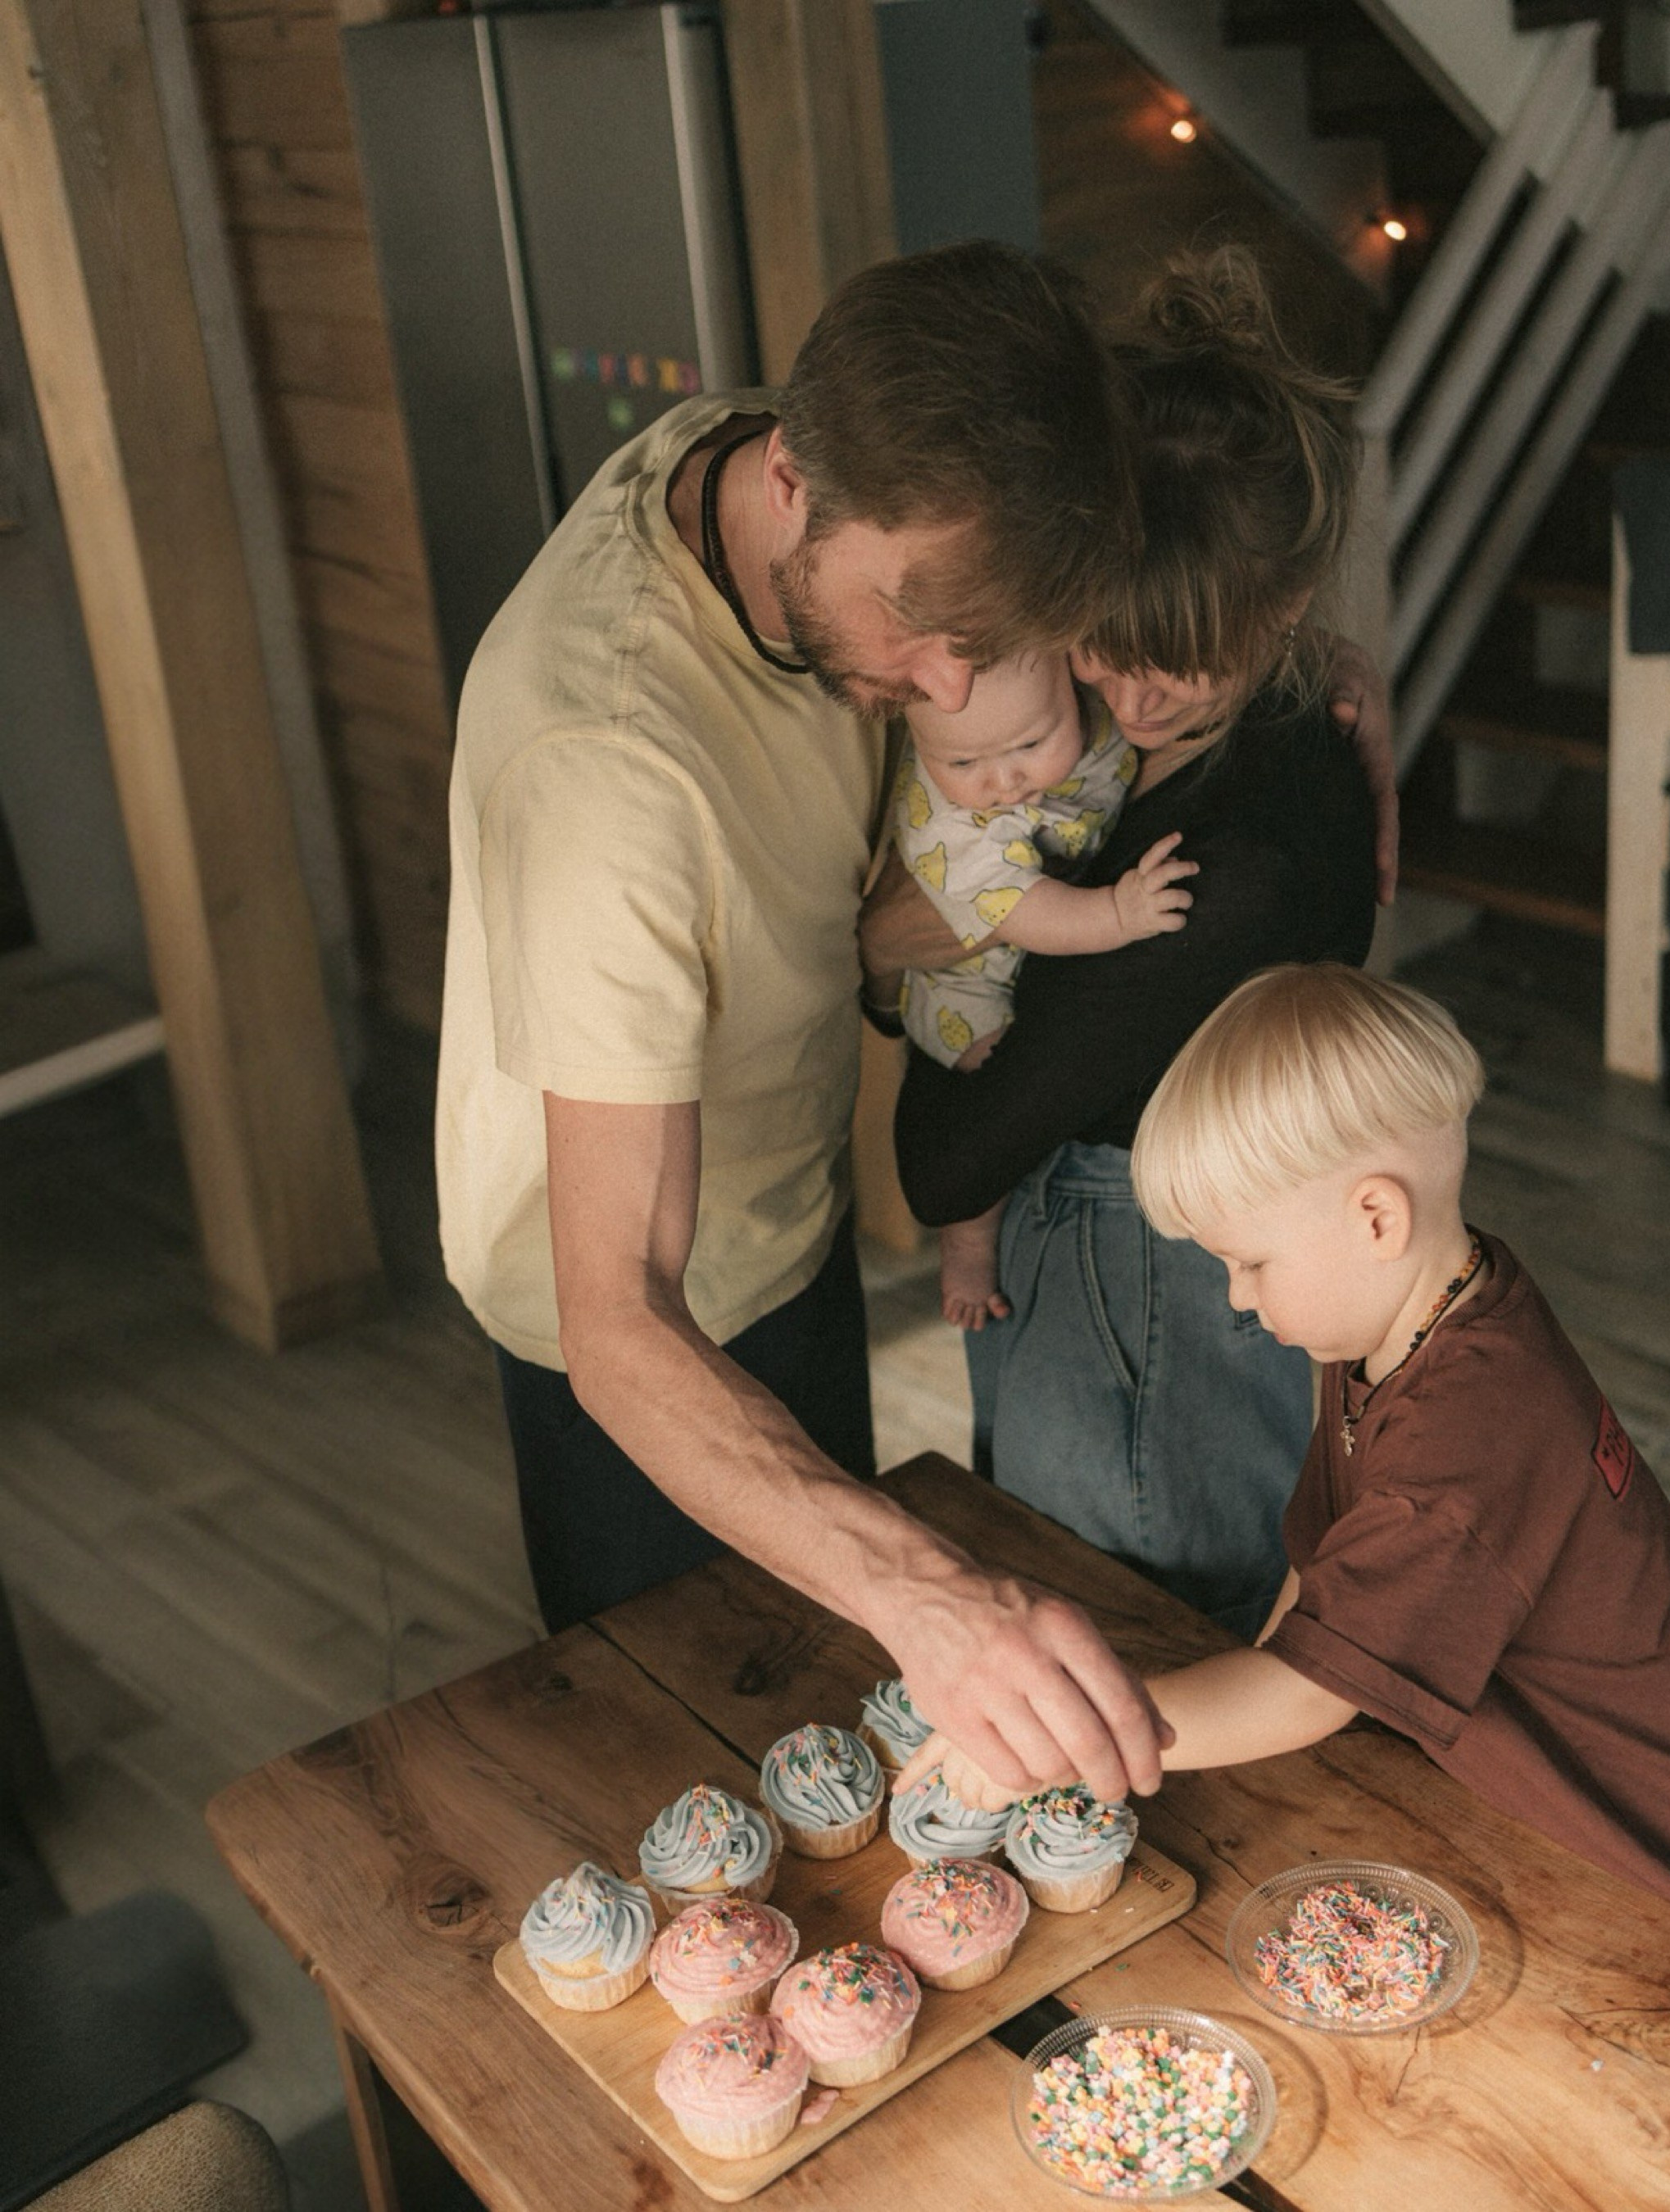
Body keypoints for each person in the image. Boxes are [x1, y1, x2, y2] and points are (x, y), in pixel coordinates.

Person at [435, 238, 1177, 1806]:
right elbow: (618, 1316)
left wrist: (1324, 676)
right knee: (690, 1780)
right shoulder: (606, 766)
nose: (950, 688)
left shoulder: (844, 467)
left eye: (983, 636)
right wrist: (925, 1589)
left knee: (845, 1748)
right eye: (919, 630)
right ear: (789, 481)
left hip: (785, 1207)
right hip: (630, 1331)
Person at [903, 963, 1670, 1949]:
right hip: (1548, 1793)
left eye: (1250, 1262)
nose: (1236, 1296)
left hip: (1667, 1856)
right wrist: (1264, 1674)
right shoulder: (1408, 1315)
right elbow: (1327, 1561)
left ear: (1375, 1219)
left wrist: (1066, 1742)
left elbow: (1307, 1697)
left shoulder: (1468, 1445)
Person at [874, 249, 1376, 1637]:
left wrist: (894, 942)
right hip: (1140, 1276)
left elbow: (943, 1159)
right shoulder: (1156, 743)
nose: (1133, 694)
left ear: (1283, 611)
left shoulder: (1238, 866)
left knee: (1135, 1638)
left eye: (1181, 658)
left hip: (1141, 1290)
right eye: (1104, 640)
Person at [892, 652, 1196, 1327]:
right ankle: (968, 1241)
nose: (1002, 780)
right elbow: (1034, 916)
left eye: (1030, 745)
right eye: (961, 762)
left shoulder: (1100, 707)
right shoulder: (950, 825)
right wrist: (1119, 913)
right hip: (967, 992)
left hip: (1036, 956)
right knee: (992, 1112)